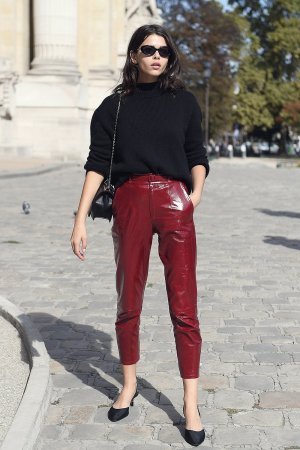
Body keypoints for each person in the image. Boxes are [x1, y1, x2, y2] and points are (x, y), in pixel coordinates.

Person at [70, 23, 210, 447]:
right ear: (133, 55)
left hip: (174, 201)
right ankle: (128, 385)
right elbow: (96, 163)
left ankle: (190, 403)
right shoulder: (112, 107)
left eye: (164, 52)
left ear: (170, 58)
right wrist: (79, 218)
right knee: (127, 299)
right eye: (147, 49)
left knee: (184, 305)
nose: (156, 57)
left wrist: (195, 195)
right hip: (129, 203)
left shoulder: (184, 102)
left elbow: (195, 154)